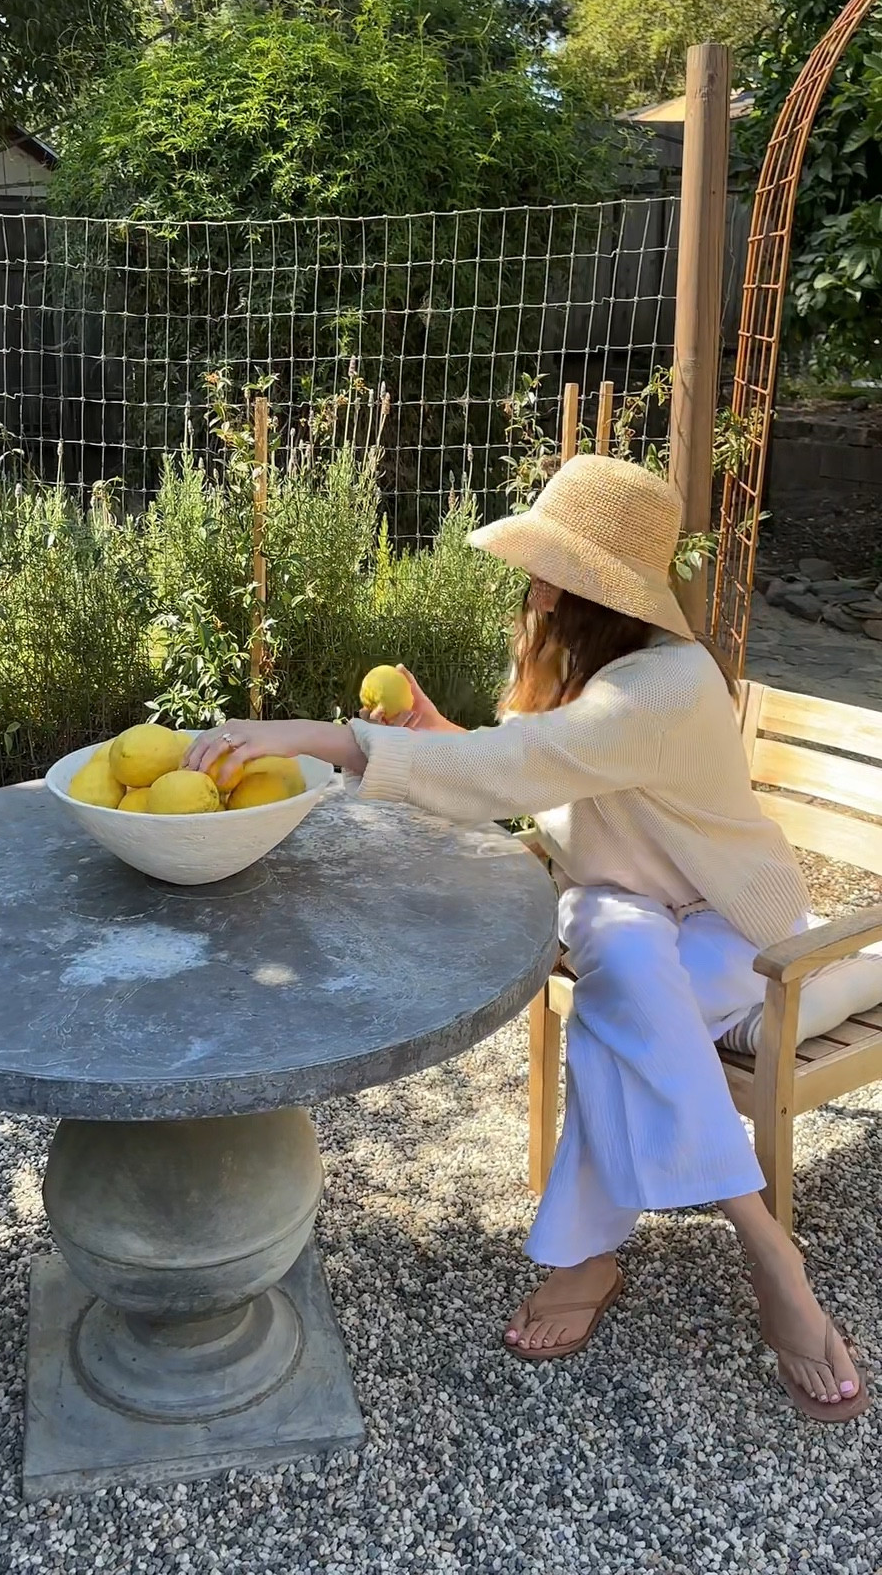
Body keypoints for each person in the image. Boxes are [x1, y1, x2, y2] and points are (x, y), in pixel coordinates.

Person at [185, 454, 866, 1422]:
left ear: (603, 588)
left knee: (619, 1000)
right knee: (624, 962)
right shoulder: (579, 665)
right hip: (624, 911)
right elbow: (533, 771)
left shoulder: (667, 683)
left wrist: (317, 737)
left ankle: (708, 1253)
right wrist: (438, 732)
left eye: (554, 568)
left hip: (732, 929)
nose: (535, 585)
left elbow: (531, 760)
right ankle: (751, 1247)